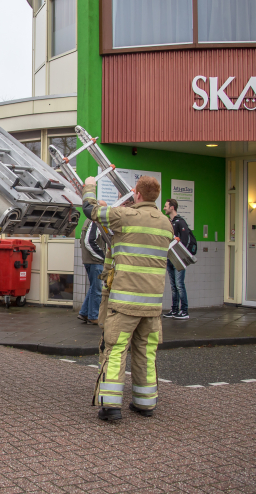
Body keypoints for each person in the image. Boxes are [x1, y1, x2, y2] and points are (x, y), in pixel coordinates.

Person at [82, 175, 174, 421]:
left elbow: (89, 210)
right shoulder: (166, 224)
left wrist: (90, 185)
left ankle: (111, 406)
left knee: (114, 350)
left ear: (137, 194)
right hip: (152, 306)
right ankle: (145, 403)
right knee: (146, 353)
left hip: (125, 304)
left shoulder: (125, 217)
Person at [162, 198, 190, 320]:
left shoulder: (180, 222)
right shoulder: (170, 222)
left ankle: (184, 310)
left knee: (179, 285)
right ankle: (174, 310)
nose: (164, 208)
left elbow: (185, 240)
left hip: (178, 258)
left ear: (172, 207)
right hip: (170, 257)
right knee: (174, 286)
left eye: (166, 206)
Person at [78, 218, 107, 325]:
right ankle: (93, 316)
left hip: (90, 260)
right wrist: (103, 256)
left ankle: (84, 313)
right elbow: (89, 241)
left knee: (93, 288)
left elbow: (84, 241)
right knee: (97, 290)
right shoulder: (95, 221)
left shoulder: (88, 220)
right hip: (95, 261)